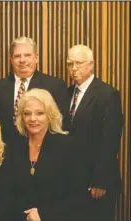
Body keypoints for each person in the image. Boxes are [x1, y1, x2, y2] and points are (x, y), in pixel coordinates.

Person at [5, 88, 87, 221]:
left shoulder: (68, 146)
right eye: (27, 113)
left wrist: (44, 214)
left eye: (39, 113)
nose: (33, 119)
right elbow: (7, 193)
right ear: (21, 117)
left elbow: (79, 197)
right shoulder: (13, 146)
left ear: (50, 115)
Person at [67, 44, 123, 221]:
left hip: (97, 183)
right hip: (72, 182)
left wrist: (100, 180)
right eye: (70, 64)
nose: (74, 68)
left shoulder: (108, 94)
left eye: (79, 63)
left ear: (91, 65)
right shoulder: (66, 93)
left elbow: (110, 140)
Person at [0, 36, 70, 144]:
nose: (22, 60)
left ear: (36, 58)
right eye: (17, 56)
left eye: (27, 55)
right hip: (5, 154)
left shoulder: (55, 86)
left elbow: (61, 125)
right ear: (11, 60)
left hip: (42, 152)